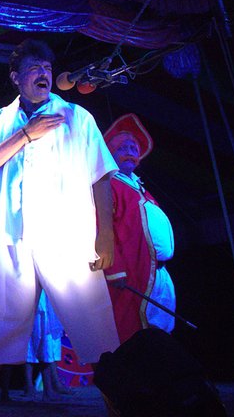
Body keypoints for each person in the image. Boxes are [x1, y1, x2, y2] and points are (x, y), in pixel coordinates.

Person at [0, 39, 120, 417]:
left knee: (97, 332)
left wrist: (105, 235)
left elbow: (100, 176)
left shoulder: (76, 117)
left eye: (48, 69)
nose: (45, 74)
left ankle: (120, 408)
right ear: (16, 77)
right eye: (35, 68)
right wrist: (24, 135)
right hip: (10, 244)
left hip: (66, 238)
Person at [104, 113, 176, 341]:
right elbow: (103, 229)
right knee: (135, 331)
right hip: (133, 271)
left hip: (158, 271)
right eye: (122, 146)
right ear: (110, 153)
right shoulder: (108, 184)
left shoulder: (141, 188)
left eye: (133, 147)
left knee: (162, 330)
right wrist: (116, 270)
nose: (130, 150)